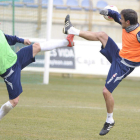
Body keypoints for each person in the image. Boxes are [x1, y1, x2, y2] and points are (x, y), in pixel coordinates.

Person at [63, 8, 140, 136]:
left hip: (124, 66)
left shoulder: (138, 34)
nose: (119, 20)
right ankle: (71, 30)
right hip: (118, 56)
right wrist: (107, 11)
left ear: (127, 21)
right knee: (102, 35)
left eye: (122, 19)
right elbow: (115, 15)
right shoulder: (126, 24)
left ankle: (110, 120)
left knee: (106, 91)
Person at [0, 30, 74, 121]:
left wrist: (22, 40)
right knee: (14, 101)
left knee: (37, 46)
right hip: (10, 71)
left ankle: (67, 42)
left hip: (16, 58)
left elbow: (7, 37)